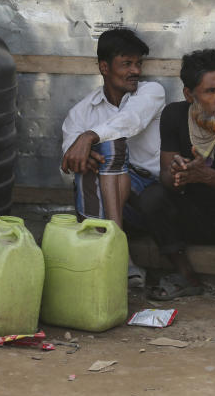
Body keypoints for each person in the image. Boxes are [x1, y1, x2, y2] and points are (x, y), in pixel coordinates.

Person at [138, 49, 215, 305]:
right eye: (210, 91)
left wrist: (207, 176)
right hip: (190, 217)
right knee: (151, 197)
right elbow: (165, 174)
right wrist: (177, 175)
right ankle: (185, 275)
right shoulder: (174, 116)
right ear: (189, 94)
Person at [61, 28, 165, 287]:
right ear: (104, 68)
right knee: (88, 163)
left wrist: (89, 138)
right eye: (127, 64)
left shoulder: (151, 92)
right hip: (103, 198)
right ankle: (109, 258)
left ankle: (117, 256)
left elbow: (129, 121)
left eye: (138, 64)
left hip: (152, 200)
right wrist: (80, 157)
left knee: (109, 148)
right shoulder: (81, 112)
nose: (136, 71)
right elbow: (67, 166)